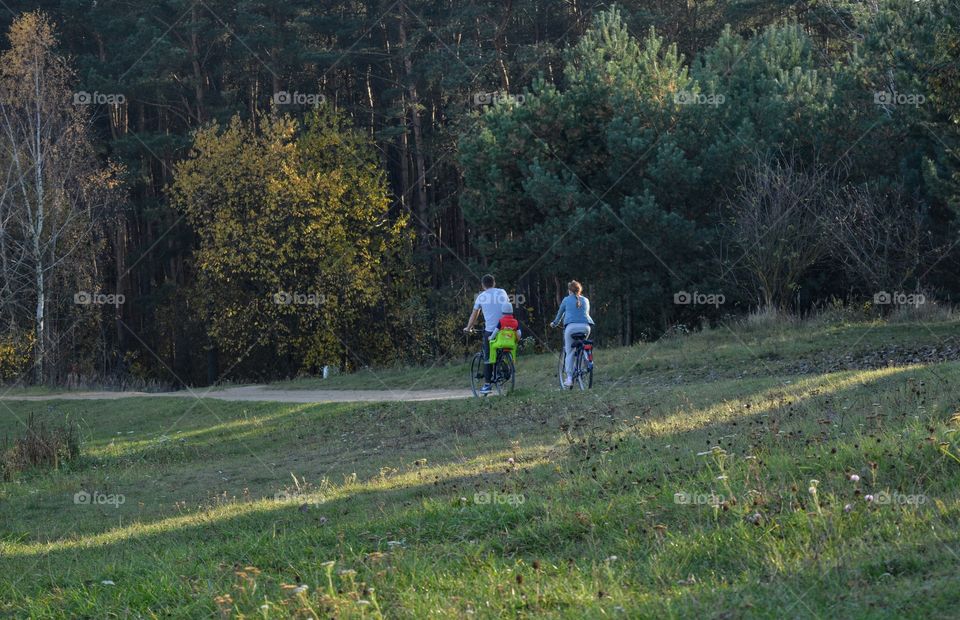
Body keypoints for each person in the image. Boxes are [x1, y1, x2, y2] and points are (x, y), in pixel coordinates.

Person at [464, 274, 510, 394]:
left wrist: (469, 327)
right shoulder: (502, 292)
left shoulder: (481, 297)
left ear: (483, 285)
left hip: (491, 331)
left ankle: (487, 384)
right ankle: (503, 364)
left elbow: (475, 314)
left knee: (488, 357)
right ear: (494, 283)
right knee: (500, 350)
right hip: (506, 329)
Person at [550, 280, 594, 388]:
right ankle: (585, 361)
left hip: (571, 328)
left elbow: (560, 314)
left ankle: (569, 378)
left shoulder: (566, 300)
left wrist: (554, 323)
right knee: (581, 344)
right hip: (586, 327)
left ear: (570, 290)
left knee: (569, 351)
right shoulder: (586, 300)